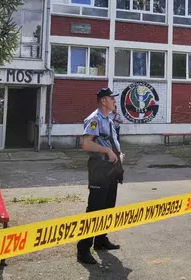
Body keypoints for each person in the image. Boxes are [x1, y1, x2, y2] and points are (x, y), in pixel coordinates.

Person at [76, 88, 125, 265]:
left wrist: (118, 154)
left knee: (107, 206)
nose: (114, 102)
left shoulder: (109, 120)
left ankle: (101, 240)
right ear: (104, 100)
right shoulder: (95, 119)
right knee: (95, 208)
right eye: (112, 99)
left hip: (111, 168)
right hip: (99, 169)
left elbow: (109, 141)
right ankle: (83, 249)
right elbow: (85, 143)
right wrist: (106, 150)